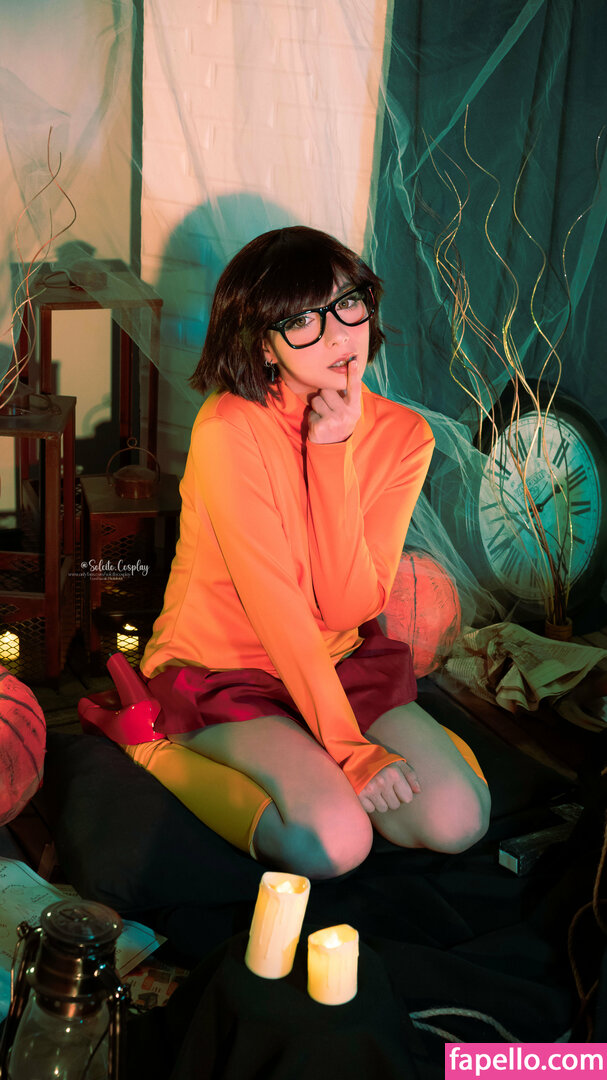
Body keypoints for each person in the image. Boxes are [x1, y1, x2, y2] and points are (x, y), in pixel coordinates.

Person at [120, 226, 491, 878]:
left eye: (347, 304)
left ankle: (323, 757)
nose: (338, 335)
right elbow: (276, 606)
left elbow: (349, 606)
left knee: (457, 821)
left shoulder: (404, 436)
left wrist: (332, 452)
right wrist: (349, 749)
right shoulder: (229, 426)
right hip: (226, 667)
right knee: (334, 844)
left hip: (337, 660)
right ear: (262, 343)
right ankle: (149, 745)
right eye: (301, 321)